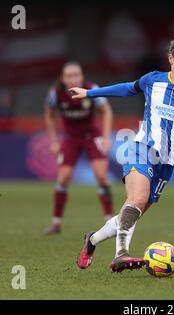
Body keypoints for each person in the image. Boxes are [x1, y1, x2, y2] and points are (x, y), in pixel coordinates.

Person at [70, 29, 174, 272]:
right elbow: (126, 88)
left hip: (166, 162)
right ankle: (121, 254)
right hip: (142, 148)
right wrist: (89, 93)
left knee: (133, 212)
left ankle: (93, 240)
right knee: (137, 198)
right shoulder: (153, 79)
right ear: (170, 58)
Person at [44, 61, 114, 234]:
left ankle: (110, 221)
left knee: (101, 176)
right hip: (70, 138)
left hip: (92, 136)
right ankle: (56, 223)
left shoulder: (91, 88)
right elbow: (49, 115)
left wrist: (105, 137)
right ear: (63, 79)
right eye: (69, 76)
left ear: (82, 77)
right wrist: (53, 141)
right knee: (64, 177)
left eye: (76, 75)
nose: (73, 78)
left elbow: (106, 110)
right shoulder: (56, 94)